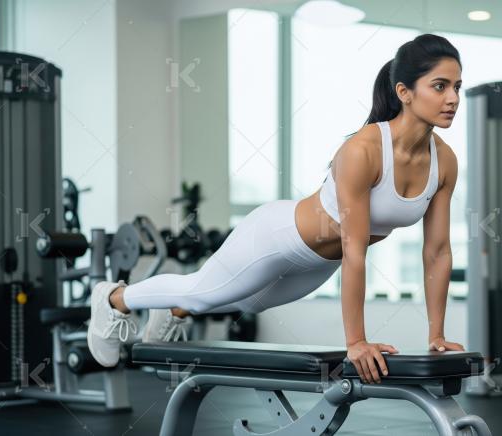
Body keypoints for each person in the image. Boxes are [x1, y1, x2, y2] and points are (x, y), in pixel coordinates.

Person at [87, 33, 465, 384]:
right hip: (278, 237)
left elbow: (437, 252)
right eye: (440, 86)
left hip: (320, 263)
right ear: (404, 92)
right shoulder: (364, 151)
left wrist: (437, 336)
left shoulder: (444, 162)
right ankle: (112, 299)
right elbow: (355, 250)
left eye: (457, 87)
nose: (452, 99)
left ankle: (174, 311)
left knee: (243, 302)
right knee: (201, 291)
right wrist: (357, 342)